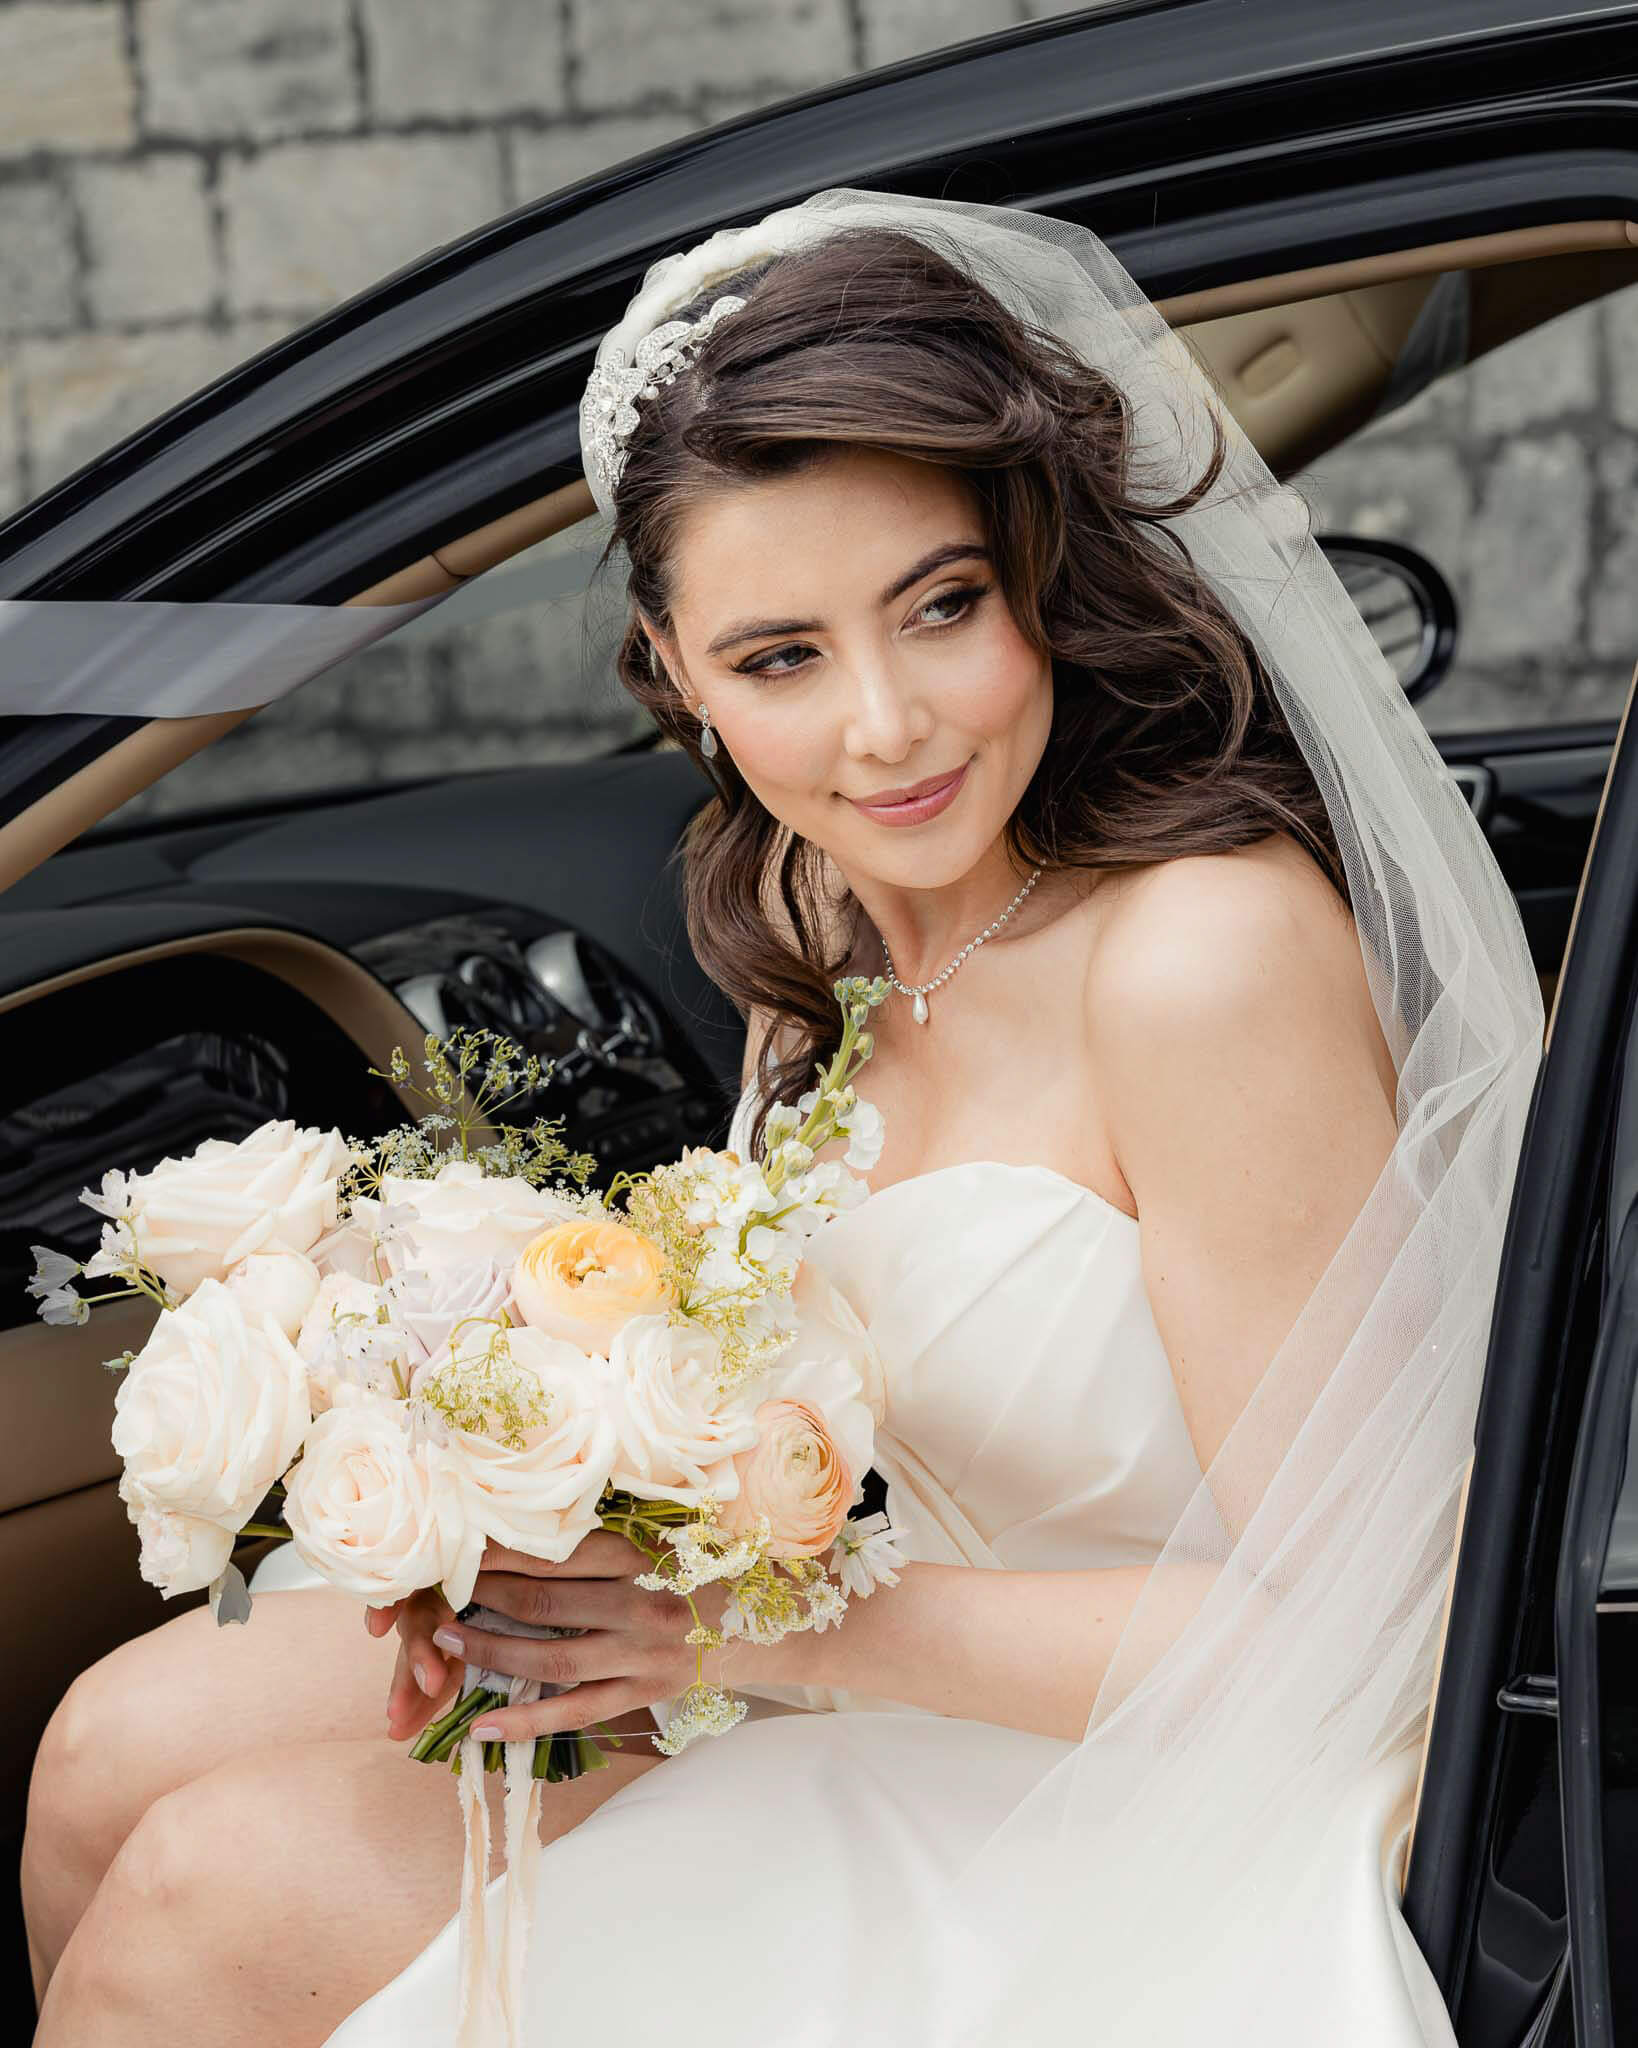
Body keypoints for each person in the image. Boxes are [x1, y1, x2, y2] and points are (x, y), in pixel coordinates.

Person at [22, 187, 1543, 2048]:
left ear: (1032, 574)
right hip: (869, 1647)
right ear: (671, 671)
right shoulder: (809, 913)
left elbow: (1369, 1634)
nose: (889, 729)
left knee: (207, 1901)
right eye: (780, 657)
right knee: (104, 1753)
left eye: (943, 608)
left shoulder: (1198, 960)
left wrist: (759, 1634)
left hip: (1153, 1773)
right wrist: (527, 1501)